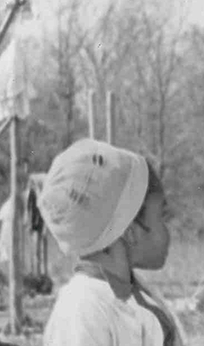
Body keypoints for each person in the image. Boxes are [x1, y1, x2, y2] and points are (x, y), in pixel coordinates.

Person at [38, 139, 185, 346]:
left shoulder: (133, 293)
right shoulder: (82, 309)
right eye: (161, 216)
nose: (168, 231)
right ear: (130, 231)